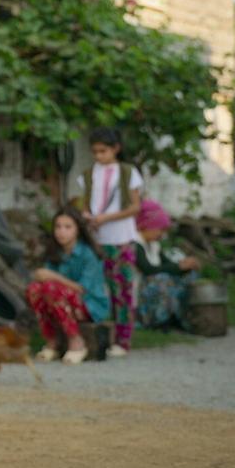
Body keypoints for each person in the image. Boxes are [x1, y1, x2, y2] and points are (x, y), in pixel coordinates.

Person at [74, 127, 143, 357]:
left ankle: (123, 340)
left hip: (121, 237)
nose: (98, 156)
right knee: (96, 286)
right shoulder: (88, 175)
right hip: (97, 239)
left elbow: (135, 207)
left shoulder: (127, 173)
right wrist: (87, 217)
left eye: (103, 151)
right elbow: (84, 205)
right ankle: (98, 336)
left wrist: (106, 218)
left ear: (116, 149)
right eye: (95, 152)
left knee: (122, 289)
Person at [27, 208, 110, 365]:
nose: (61, 232)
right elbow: (45, 281)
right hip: (63, 302)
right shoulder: (55, 252)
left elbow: (82, 289)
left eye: (67, 227)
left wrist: (53, 276)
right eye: (58, 227)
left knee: (51, 288)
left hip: (89, 305)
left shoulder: (89, 254)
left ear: (78, 229)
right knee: (34, 289)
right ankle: (52, 339)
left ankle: (76, 341)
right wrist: (42, 276)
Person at [134, 198, 200, 330]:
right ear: (146, 225)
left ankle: (179, 316)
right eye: (159, 229)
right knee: (162, 279)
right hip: (139, 292)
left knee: (189, 276)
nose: (161, 234)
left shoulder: (154, 245)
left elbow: (167, 264)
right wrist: (178, 266)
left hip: (154, 285)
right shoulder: (134, 245)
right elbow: (148, 269)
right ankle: (156, 318)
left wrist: (185, 266)